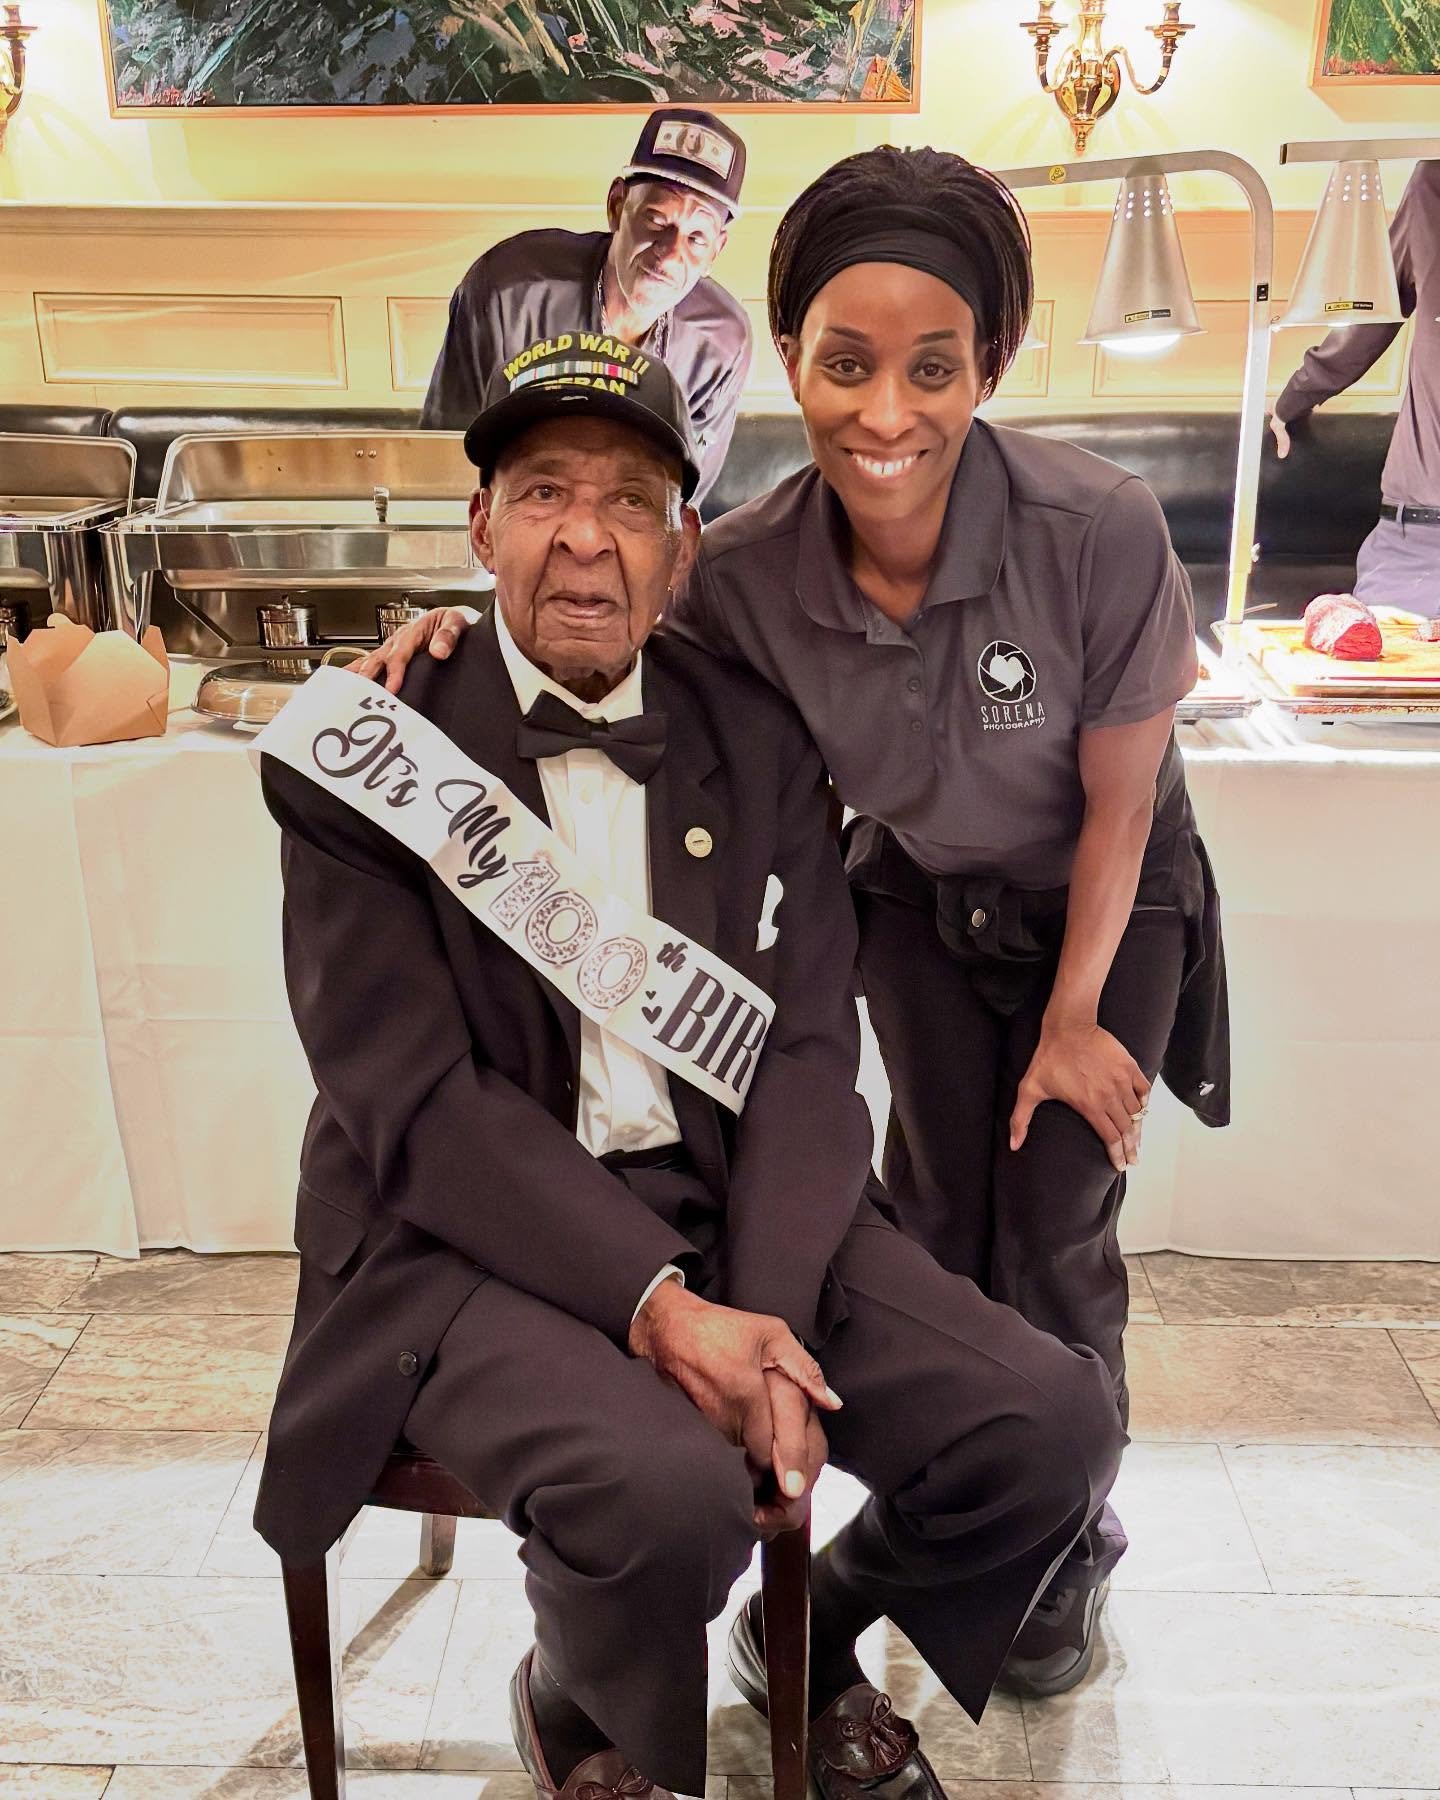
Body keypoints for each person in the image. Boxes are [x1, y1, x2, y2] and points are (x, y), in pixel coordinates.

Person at [356, 144, 1231, 1700]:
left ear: (990, 369)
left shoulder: (1094, 526)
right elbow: (591, 599)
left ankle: (1028, 1558)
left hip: (1109, 892)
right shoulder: (741, 564)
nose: (884, 414)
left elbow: (1124, 797)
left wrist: (1080, 1012)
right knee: (940, 1219)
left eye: (932, 369)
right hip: (909, 887)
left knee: (1054, 1229)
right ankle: (948, 1501)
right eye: (844, 364)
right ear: (790, 360)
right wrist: (437, 641)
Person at [254, 335, 1123, 1800]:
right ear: (481, 527)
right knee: (664, 1498)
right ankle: (587, 1698)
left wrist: (758, 1322)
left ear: (683, 546)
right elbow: (416, 1107)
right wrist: (665, 1315)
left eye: (632, 501)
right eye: (542, 494)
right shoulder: (372, 749)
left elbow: (801, 1054)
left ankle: (811, 1642)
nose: (585, 538)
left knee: (1046, 1423)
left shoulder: (760, 739)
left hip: (734, 1204)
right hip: (467, 1240)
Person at [421, 105, 753, 506]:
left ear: (718, 249)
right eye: (655, 220)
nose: (669, 256)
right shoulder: (506, 292)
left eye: (697, 238)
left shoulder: (722, 343)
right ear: (617, 205)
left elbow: (679, 503)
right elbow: (447, 468)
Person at [1272, 159, 1440, 617]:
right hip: (1421, 547)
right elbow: (1375, 311)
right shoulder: (1435, 187)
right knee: (1372, 681)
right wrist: (1294, 400)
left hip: (1421, 533)